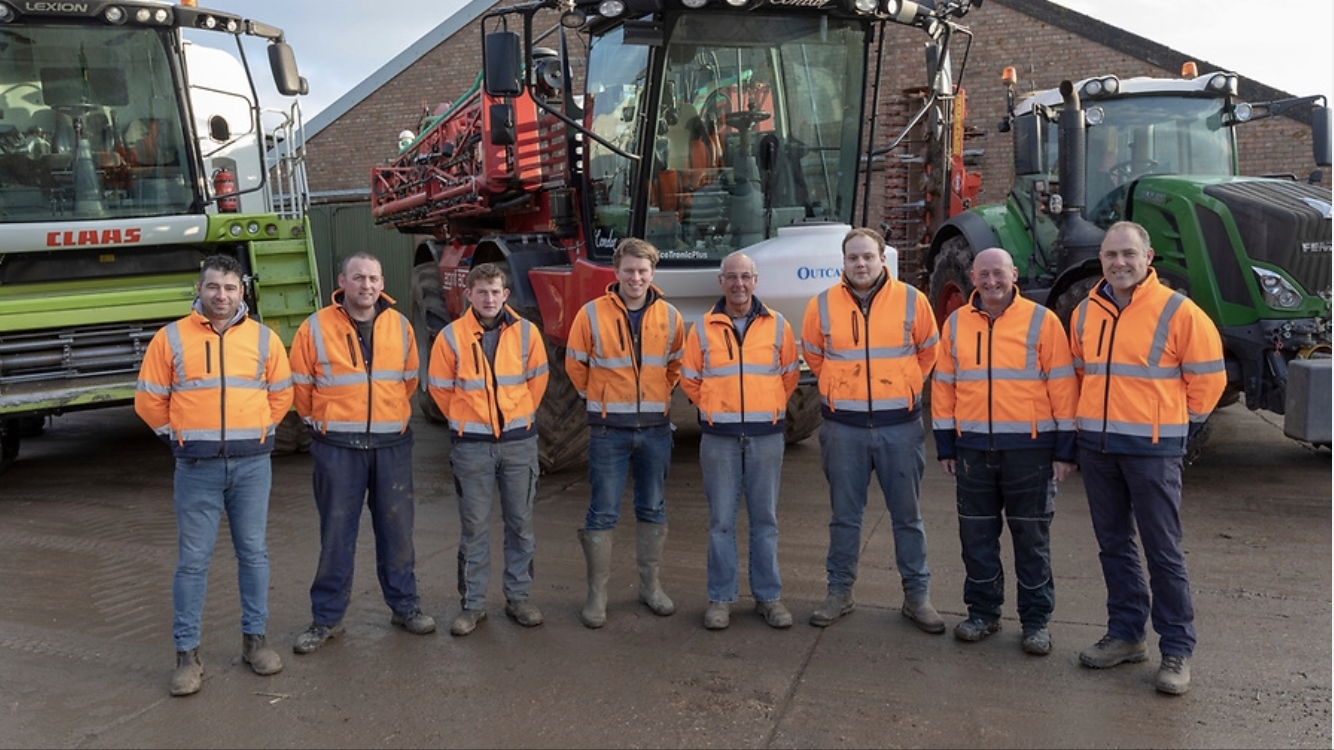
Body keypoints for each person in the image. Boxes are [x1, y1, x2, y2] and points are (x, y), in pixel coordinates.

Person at [1069, 220, 1225, 695]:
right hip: (1098, 449)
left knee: (1163, 551)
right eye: (1111, 255)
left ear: (1147, 258)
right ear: (1101, 260)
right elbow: (1082, 372)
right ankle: (1126, 635)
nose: (1120, 263)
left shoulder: (1179, 312)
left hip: (1153, 452)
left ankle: (1176, 649)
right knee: (1113, 544)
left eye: (1128, 255)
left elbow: (1209, 380)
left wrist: (1175, 425)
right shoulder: (1083, 313)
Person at [134, 254, 291, 697]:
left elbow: (281, 395)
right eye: (213, 287)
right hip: (196, 468)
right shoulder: (170, 339)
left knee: (254, 554)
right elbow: (148, 400)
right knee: (192, 562)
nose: (222, 296)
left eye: (230, 288)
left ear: (243, 291)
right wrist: (180, 438)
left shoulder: (264, 340)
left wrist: (258, 432)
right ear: (198, 291)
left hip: (252, 466)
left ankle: (255, 643)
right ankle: (187, 655)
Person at [931, 248, 1079, 656]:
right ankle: (983, 613)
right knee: (976, 538)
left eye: (999, 273)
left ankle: (1035, 622)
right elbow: (944, 387)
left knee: (1031, 539)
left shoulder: (1042, 321)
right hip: (972, 450)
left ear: (1014, 273)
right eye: (983, 275)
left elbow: (1063, 387)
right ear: (972, 278)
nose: (991, 281)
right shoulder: (956, 324)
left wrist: (1065, 451)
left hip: (1030, 453)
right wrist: (946, 443)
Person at [288, 253, 435, 655]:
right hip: (337, 448)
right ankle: (327, 619)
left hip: (391, 446)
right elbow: (301, 389)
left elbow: (407, 382)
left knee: (397, 532)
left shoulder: (400, 326)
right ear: (343, 282)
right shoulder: (315, 328)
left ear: (382, 281)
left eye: (372, 278)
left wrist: (386, 418)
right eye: (358, 278)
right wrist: (323, 421)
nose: (366, 286)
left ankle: (405, 607)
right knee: (336, 536)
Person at [800, 227, 943, 632]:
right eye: (852, 258)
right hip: (842, 429)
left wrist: (907, 386)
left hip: (900, 427)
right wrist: (837, 388)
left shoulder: (912, 301)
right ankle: (839, 594)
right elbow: (813, 354)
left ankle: (918, 598)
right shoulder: (822, 305)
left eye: (868, 256)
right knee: (845, 518)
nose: (860, 264)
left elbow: (928, 350)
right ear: (843, 262)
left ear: (883, 259)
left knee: (908, 517)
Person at [566, 237, 685, 629]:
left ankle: (650, 586)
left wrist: (657, 397)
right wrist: (599, 398)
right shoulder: (591, 314)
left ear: (652, 274)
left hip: (654, 430)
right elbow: (576, 365)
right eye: (629, 270)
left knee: (653, 507)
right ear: (616, 273)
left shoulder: (670, 316)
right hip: (607, 432)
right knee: (603, 511)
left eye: (643, 271)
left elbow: (675, 366)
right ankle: (597, 594)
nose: (636, 277)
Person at [681, 252, 800, 630]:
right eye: (731, 277)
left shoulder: (778, 326)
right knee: (721, 522)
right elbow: (690, 379)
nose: (739, 284)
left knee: (765, 519)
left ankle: (769, 597)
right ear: (721, 282)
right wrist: (717, 408)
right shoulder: (702, 329)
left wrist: (768, 408)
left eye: (745, 276)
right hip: (720, 438)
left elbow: (789, 375)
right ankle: (721, 599)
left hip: (766, 437)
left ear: (755, 280)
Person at [429, 263, 549, 636]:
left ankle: (519, 598)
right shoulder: (450, 337)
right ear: (469, 295)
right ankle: (473, 605)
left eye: (495, 291)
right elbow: (440, 389)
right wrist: (469, 420)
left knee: (520, 525)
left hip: (518, 444)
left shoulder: (527, 334)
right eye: (481, 291)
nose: (489, 298)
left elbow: (538, 380)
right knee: (474, 528)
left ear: (505, 294)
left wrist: (517, 417)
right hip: (473, 448)